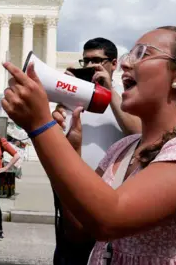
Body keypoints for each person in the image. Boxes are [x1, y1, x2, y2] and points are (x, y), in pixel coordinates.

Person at [1, 26, 176, 264]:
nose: (126, 63)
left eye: (142, 54)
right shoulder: (123, 149)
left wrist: (41, 127)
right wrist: (69, 150)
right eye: (130, 54)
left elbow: (110, 220)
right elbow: (80, 228)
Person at [52, 37, 141, 264]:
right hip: (74, 194)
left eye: (96, 61)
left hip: (110, 196)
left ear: (114, 64)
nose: (90, 66)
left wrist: (108, 91)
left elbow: (137, 131)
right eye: (86, 61)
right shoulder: (76, 98)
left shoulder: (126, 99)